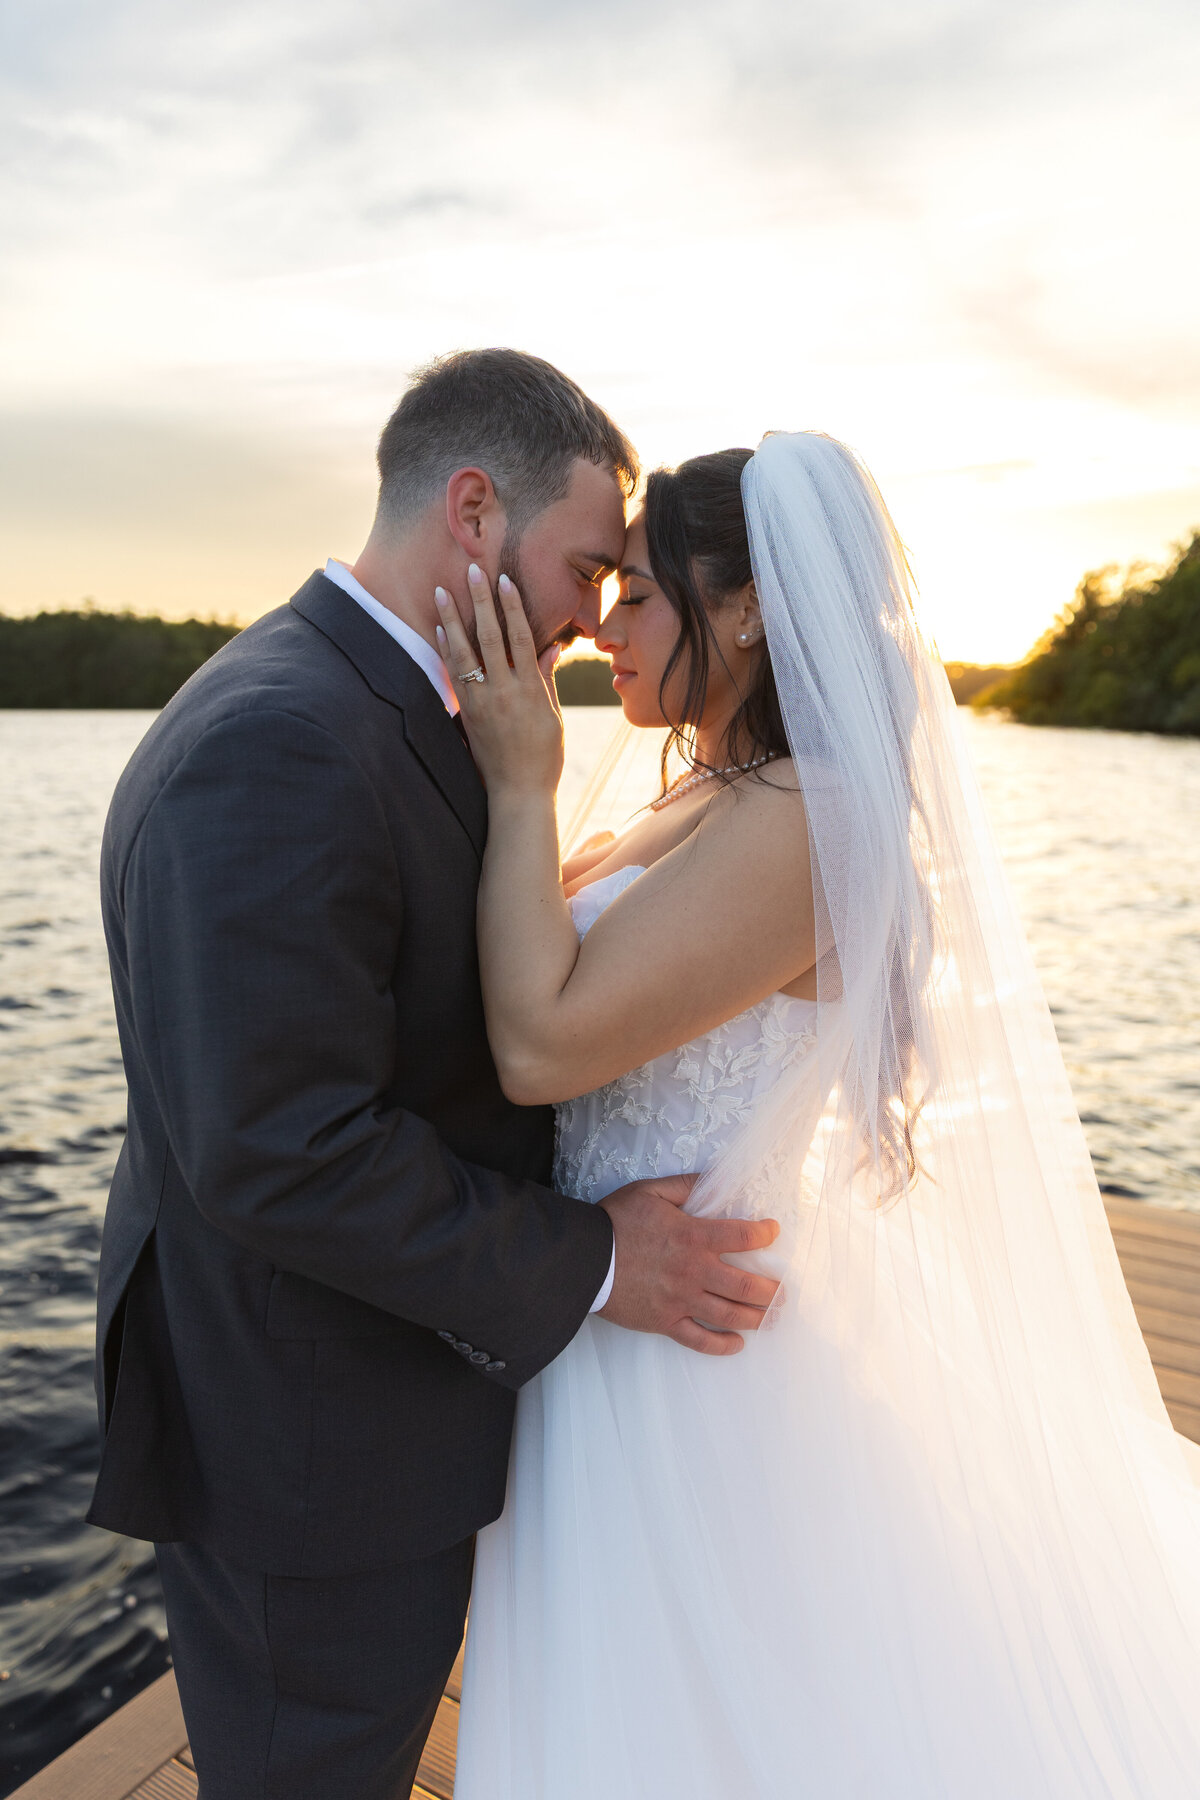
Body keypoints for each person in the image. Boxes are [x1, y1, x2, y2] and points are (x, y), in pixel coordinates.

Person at [441, 433, 1200, 1798]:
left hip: (700, 1361)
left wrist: (518, 780)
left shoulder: (812, 815)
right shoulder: (710, 789)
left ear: (741, 609)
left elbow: (545, 1042)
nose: (605, 626)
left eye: (641, 595)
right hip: (625, 1327)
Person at [86, 350, 780, 1800]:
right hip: (310, 1454)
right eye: (590, 566)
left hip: (384, 1409)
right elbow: (283, 1147)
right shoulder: (282, 739)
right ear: (474, 510)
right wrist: (596, 1262)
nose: (595, 622)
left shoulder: (383, 708)